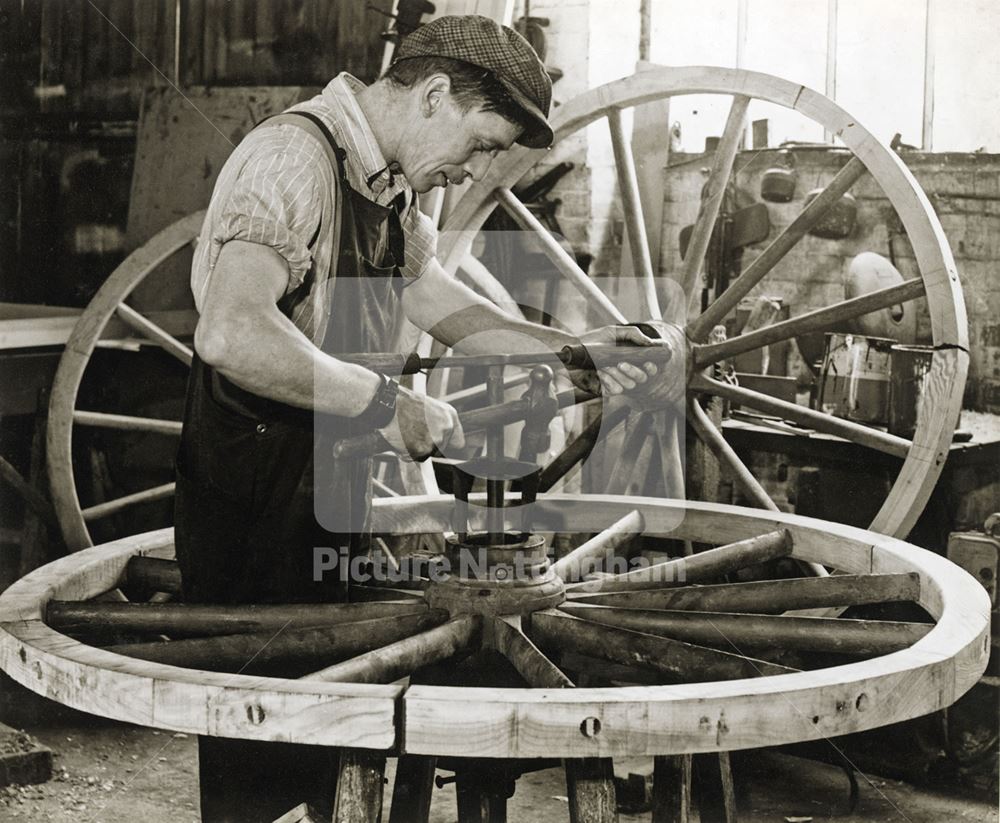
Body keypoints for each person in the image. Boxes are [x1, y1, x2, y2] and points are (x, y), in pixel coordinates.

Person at [174, 14, 682, 821]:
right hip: (253, 496)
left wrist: (572, 353)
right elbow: (232, 331)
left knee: (346, 743)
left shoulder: (394, 187)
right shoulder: (293, 160)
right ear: (436, 96)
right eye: (480, 145)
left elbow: (431, 297)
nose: (468, 172)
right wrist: (384, 405)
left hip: (332, 492)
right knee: (260, 755)